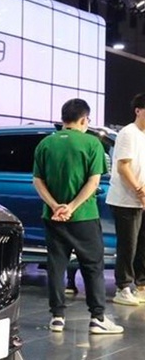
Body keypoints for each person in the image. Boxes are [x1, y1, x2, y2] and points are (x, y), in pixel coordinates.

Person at [32, 98, 123, 334]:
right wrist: (71, 207)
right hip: (84, 216)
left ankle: (57, 317)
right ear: (84, 119)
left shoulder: (45, 144)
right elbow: (93, 182)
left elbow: (37, 181)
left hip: (52, 217)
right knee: (92, 266)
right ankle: (97, 318)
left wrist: (55, 206)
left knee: (56, 265)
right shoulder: (92, 143)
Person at [104, 93, 145, 306]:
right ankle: (123, 287)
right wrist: (139, 189)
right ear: (138, 110)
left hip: (141, 200)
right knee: (128, 245)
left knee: (141, 246)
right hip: (126, 200)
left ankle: (141, 285)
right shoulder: (128, 133)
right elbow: (123, 166)